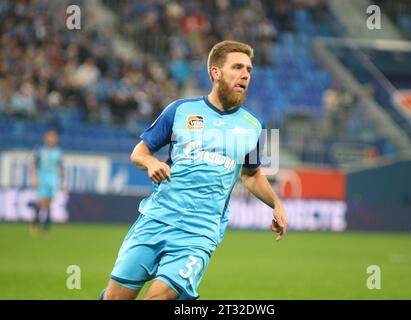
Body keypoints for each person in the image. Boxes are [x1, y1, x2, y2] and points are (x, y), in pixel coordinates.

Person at [101, 40, 288, 300]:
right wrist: (153, 162)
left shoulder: (253, 126)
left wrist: (276, 204)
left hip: (199, 233)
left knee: (156, 297)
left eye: (249, 69)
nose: (245, 74)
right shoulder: (180, 110)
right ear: (215, 72)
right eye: (237, 67)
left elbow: (252, 174)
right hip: (156, 219)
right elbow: (139, 152)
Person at [29, 129, 64, 237]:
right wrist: (34, 178)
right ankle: (35, 224)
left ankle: (46, 228)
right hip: (42, 178)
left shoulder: (58, 152)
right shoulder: (40, 150)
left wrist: (62, 179)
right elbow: (34, 164)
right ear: (46, 139)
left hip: (53, 179)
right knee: (41, 202)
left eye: (53, 138)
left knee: (48, 203)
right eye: (50, 137)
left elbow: (60, 166)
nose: (52, 140)